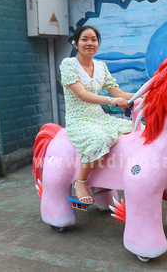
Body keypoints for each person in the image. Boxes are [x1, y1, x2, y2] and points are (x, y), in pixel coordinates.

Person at [60, 26, 134, 204]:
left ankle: (112, 179)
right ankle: (81, 180)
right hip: (79, 120)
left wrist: (148, 93)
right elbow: (82, 95)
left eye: (93, 39)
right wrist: (110, 101)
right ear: (76, 43)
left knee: (139, 130)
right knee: (100, 139)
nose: (89, 43)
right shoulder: (68, 64)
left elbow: (120, 94)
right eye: (84, 39)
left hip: (100, 118)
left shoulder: (101, 66)